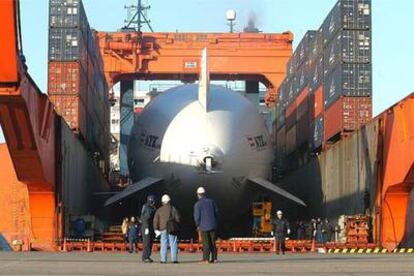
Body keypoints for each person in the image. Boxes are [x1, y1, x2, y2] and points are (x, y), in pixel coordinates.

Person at [193, 186, 219, 264]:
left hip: (203, 226)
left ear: (198, 195)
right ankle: (214, 259)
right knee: (213, 242)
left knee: (206, 243)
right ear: (205, 194)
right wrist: (215, 221)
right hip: (213, 225)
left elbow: (196, 216)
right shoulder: (212, 202)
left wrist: (197, 225)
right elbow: (217, 212)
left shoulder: (197, 204)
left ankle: (206, 259)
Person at [153, 194, 181, 264]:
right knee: (173, 243)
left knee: (163, 244)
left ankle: (163, 260)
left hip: (163, 229)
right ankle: (174, 259)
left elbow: (155, 220)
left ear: (162, 202)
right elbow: (178, 219)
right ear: (169, 201)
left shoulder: (159, 210)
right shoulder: (173, 208)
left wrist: (156, 229)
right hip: (172, 229)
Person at [140, 195, 156, 263]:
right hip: (147, 227)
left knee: (149, 242)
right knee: (147, 243)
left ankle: (147, 256)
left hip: (148, 227)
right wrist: (146, 228)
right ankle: (145, 257)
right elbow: (146, 218)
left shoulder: (148, 207)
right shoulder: (148, 208)